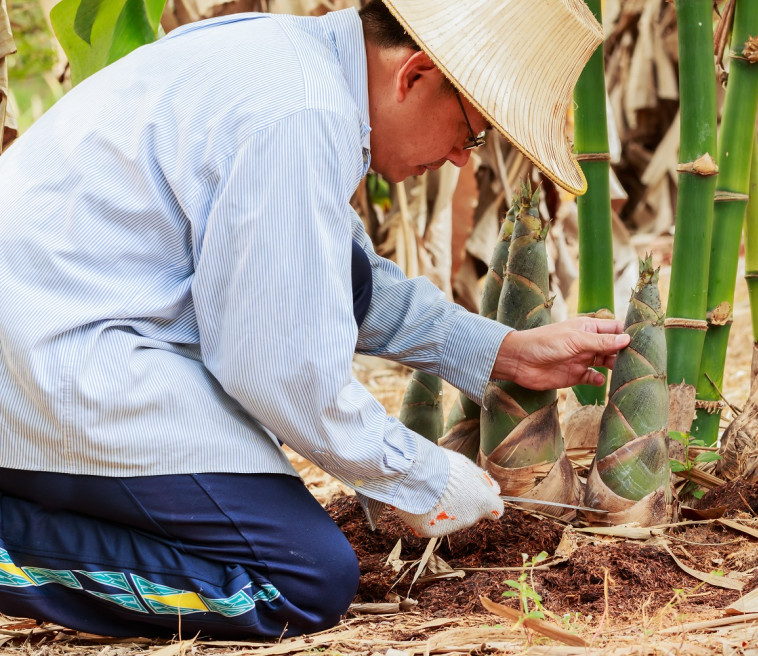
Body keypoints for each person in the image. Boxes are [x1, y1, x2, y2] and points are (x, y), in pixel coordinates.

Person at [0, 0, 615, 640]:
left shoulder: (289, 62)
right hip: (57, 363)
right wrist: (423, 477)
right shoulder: (301, 113)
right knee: (296, 581)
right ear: (414, 76)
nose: (463, 159)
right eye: (472, 132)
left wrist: (506, 352)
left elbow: (345, 278)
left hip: (47, 341)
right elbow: (274, 366)